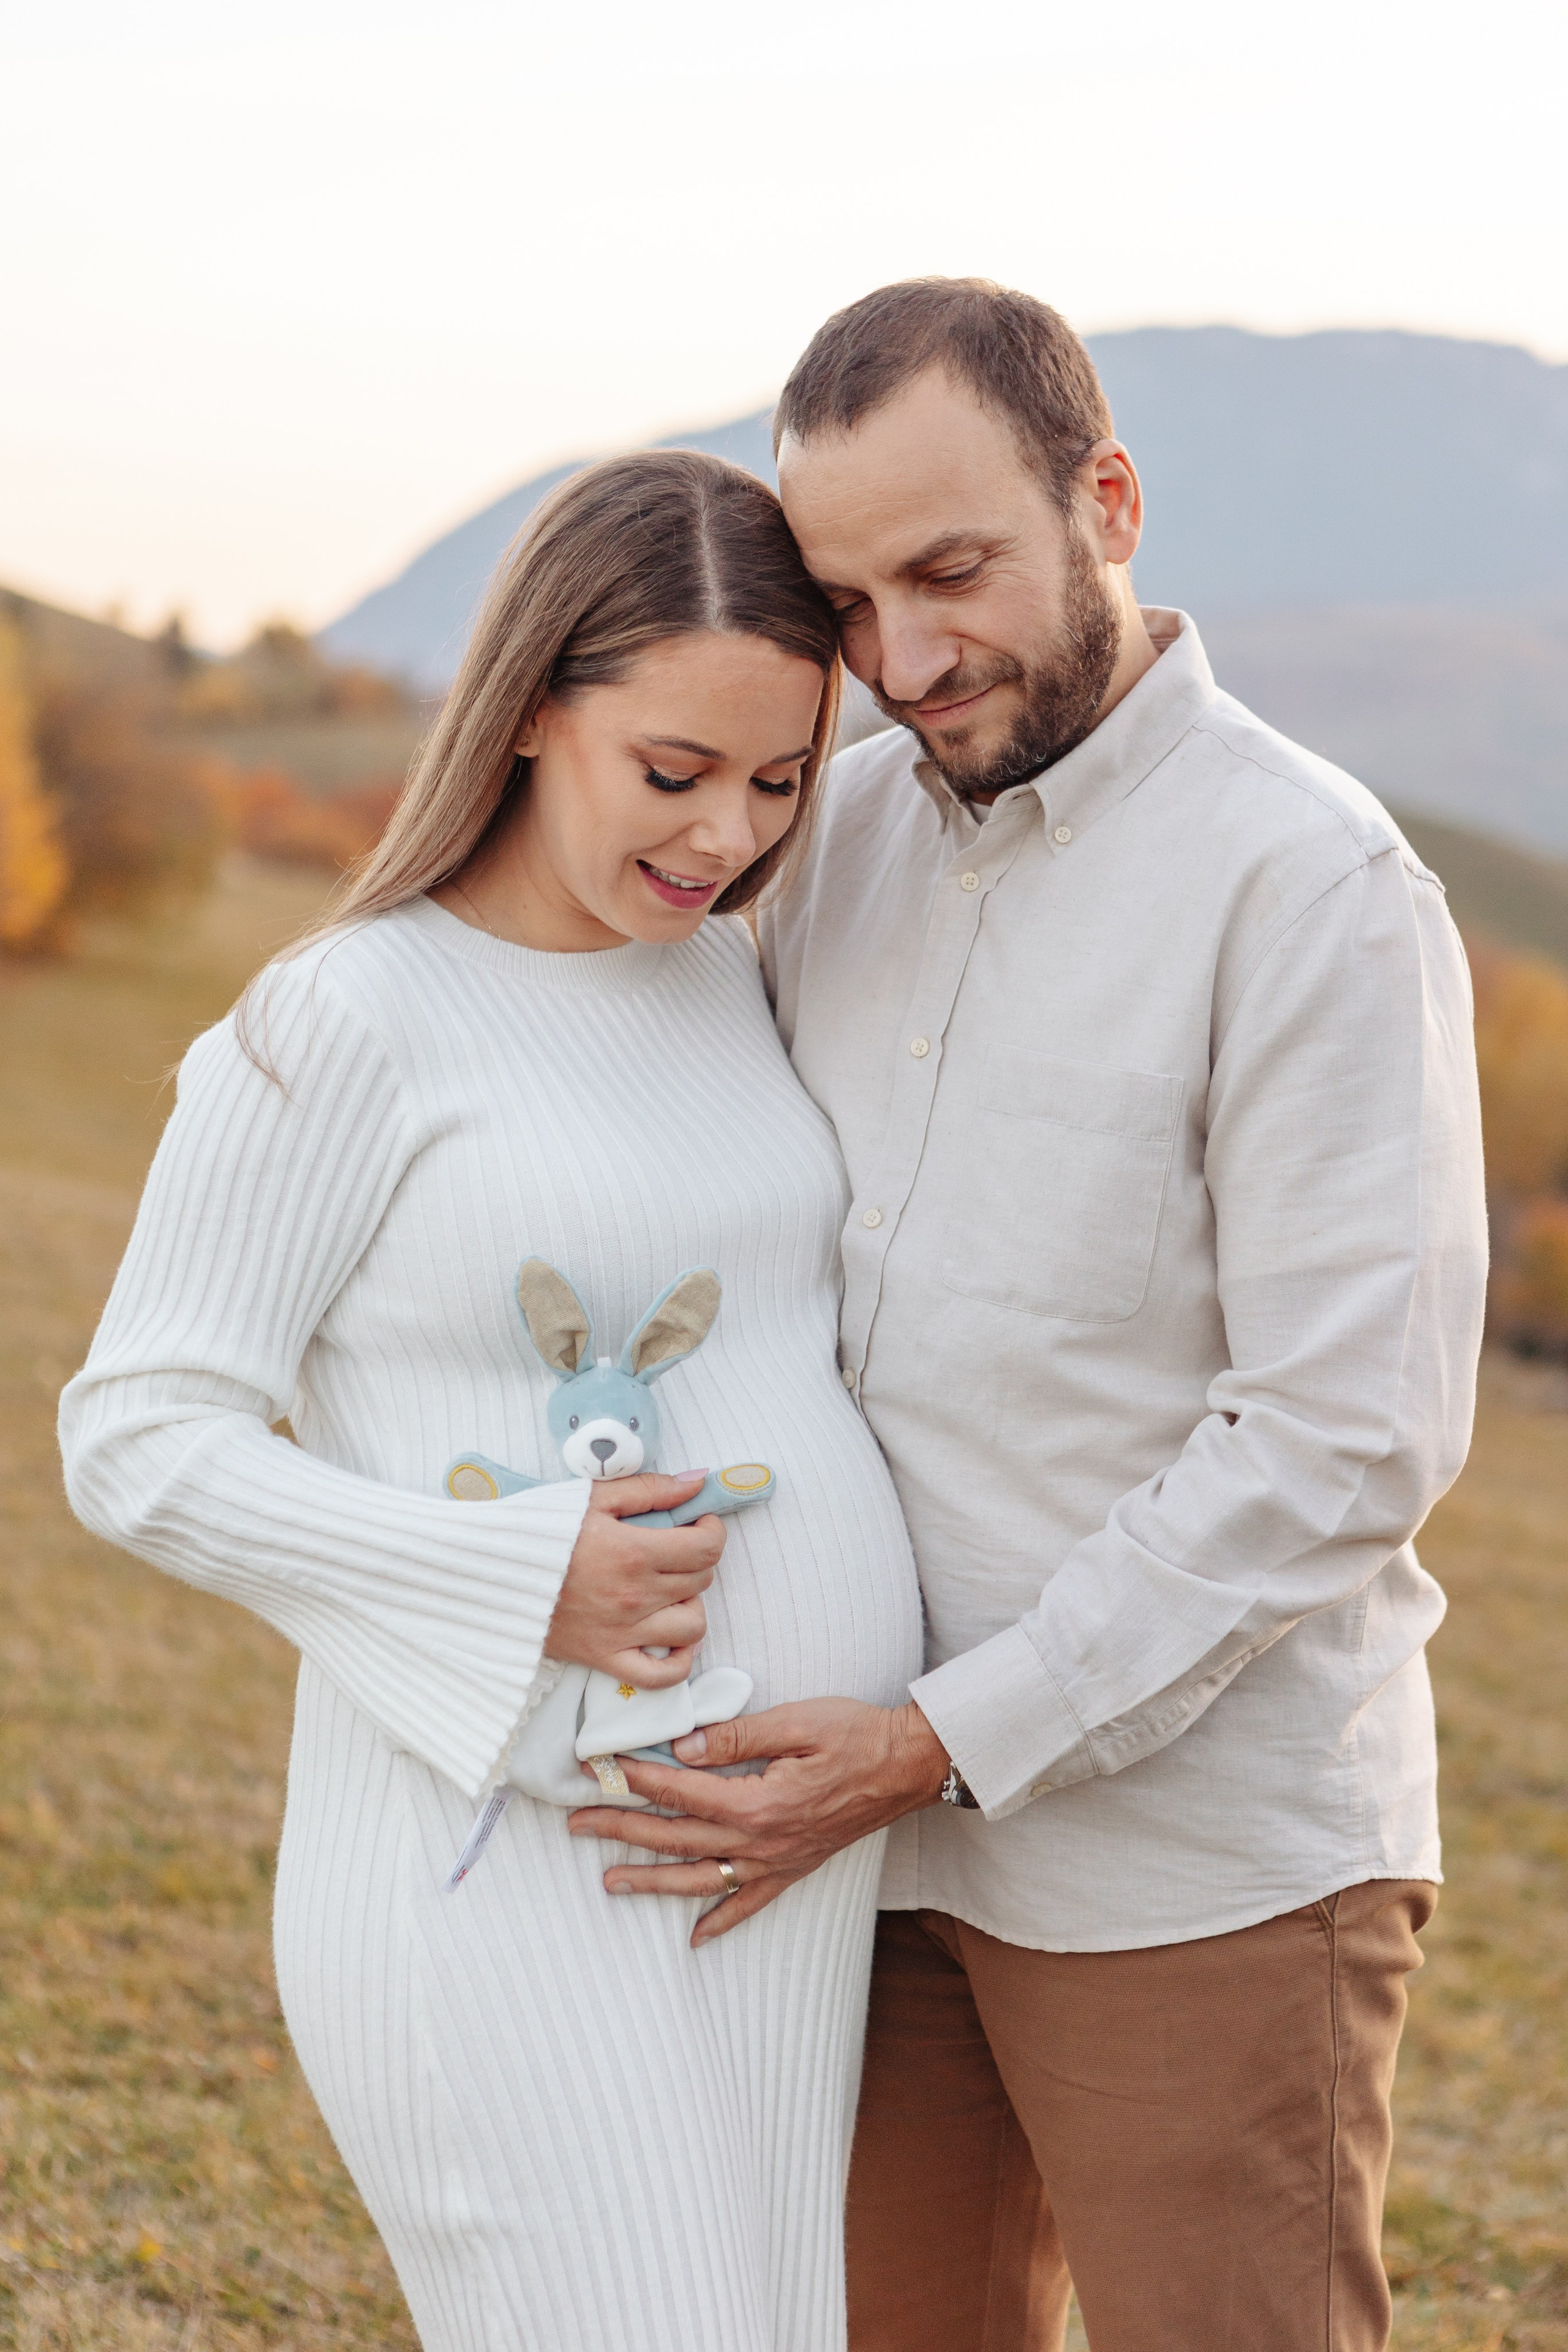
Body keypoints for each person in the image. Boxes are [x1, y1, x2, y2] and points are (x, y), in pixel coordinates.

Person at [569, 282, 1491, 2351]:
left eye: (952, 571)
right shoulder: (830, 835)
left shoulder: (1314, 887)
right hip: (855, 1862)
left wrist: (936, 1743)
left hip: (1195, 1871)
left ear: (1112, 501)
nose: (899, 661)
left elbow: (1347, 1435)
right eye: (848, 597)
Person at [58, 449, 923, 2352]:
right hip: (500, 1877)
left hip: (759, 1885)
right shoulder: (344, 1020)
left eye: (781, 782)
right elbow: (133, 1438)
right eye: (674, 773)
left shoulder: (716, 981)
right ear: (536, 708)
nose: (726, 838)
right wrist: (520, 1570)